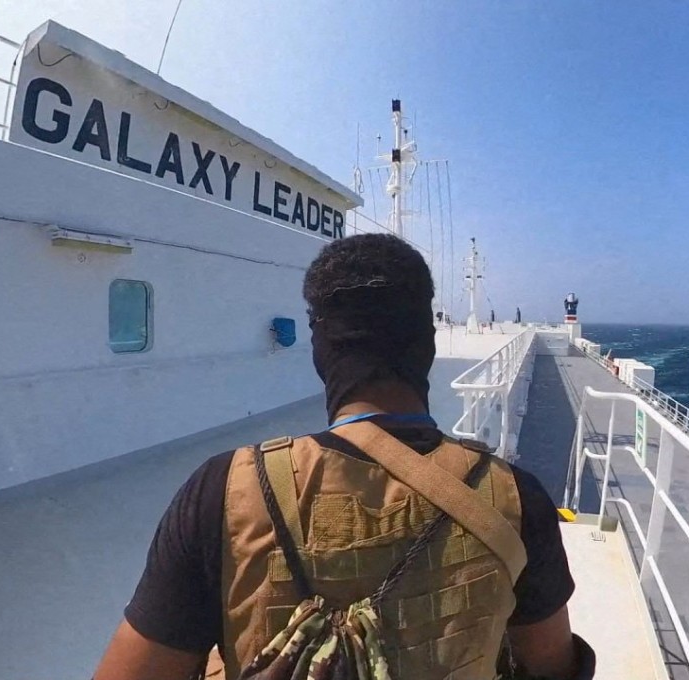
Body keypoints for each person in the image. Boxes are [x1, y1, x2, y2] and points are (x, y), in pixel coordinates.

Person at [94, 233, 594, 680]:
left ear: (322, 351)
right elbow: (552, 665)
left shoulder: (224, 490)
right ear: (427, 344)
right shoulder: (513, 496)